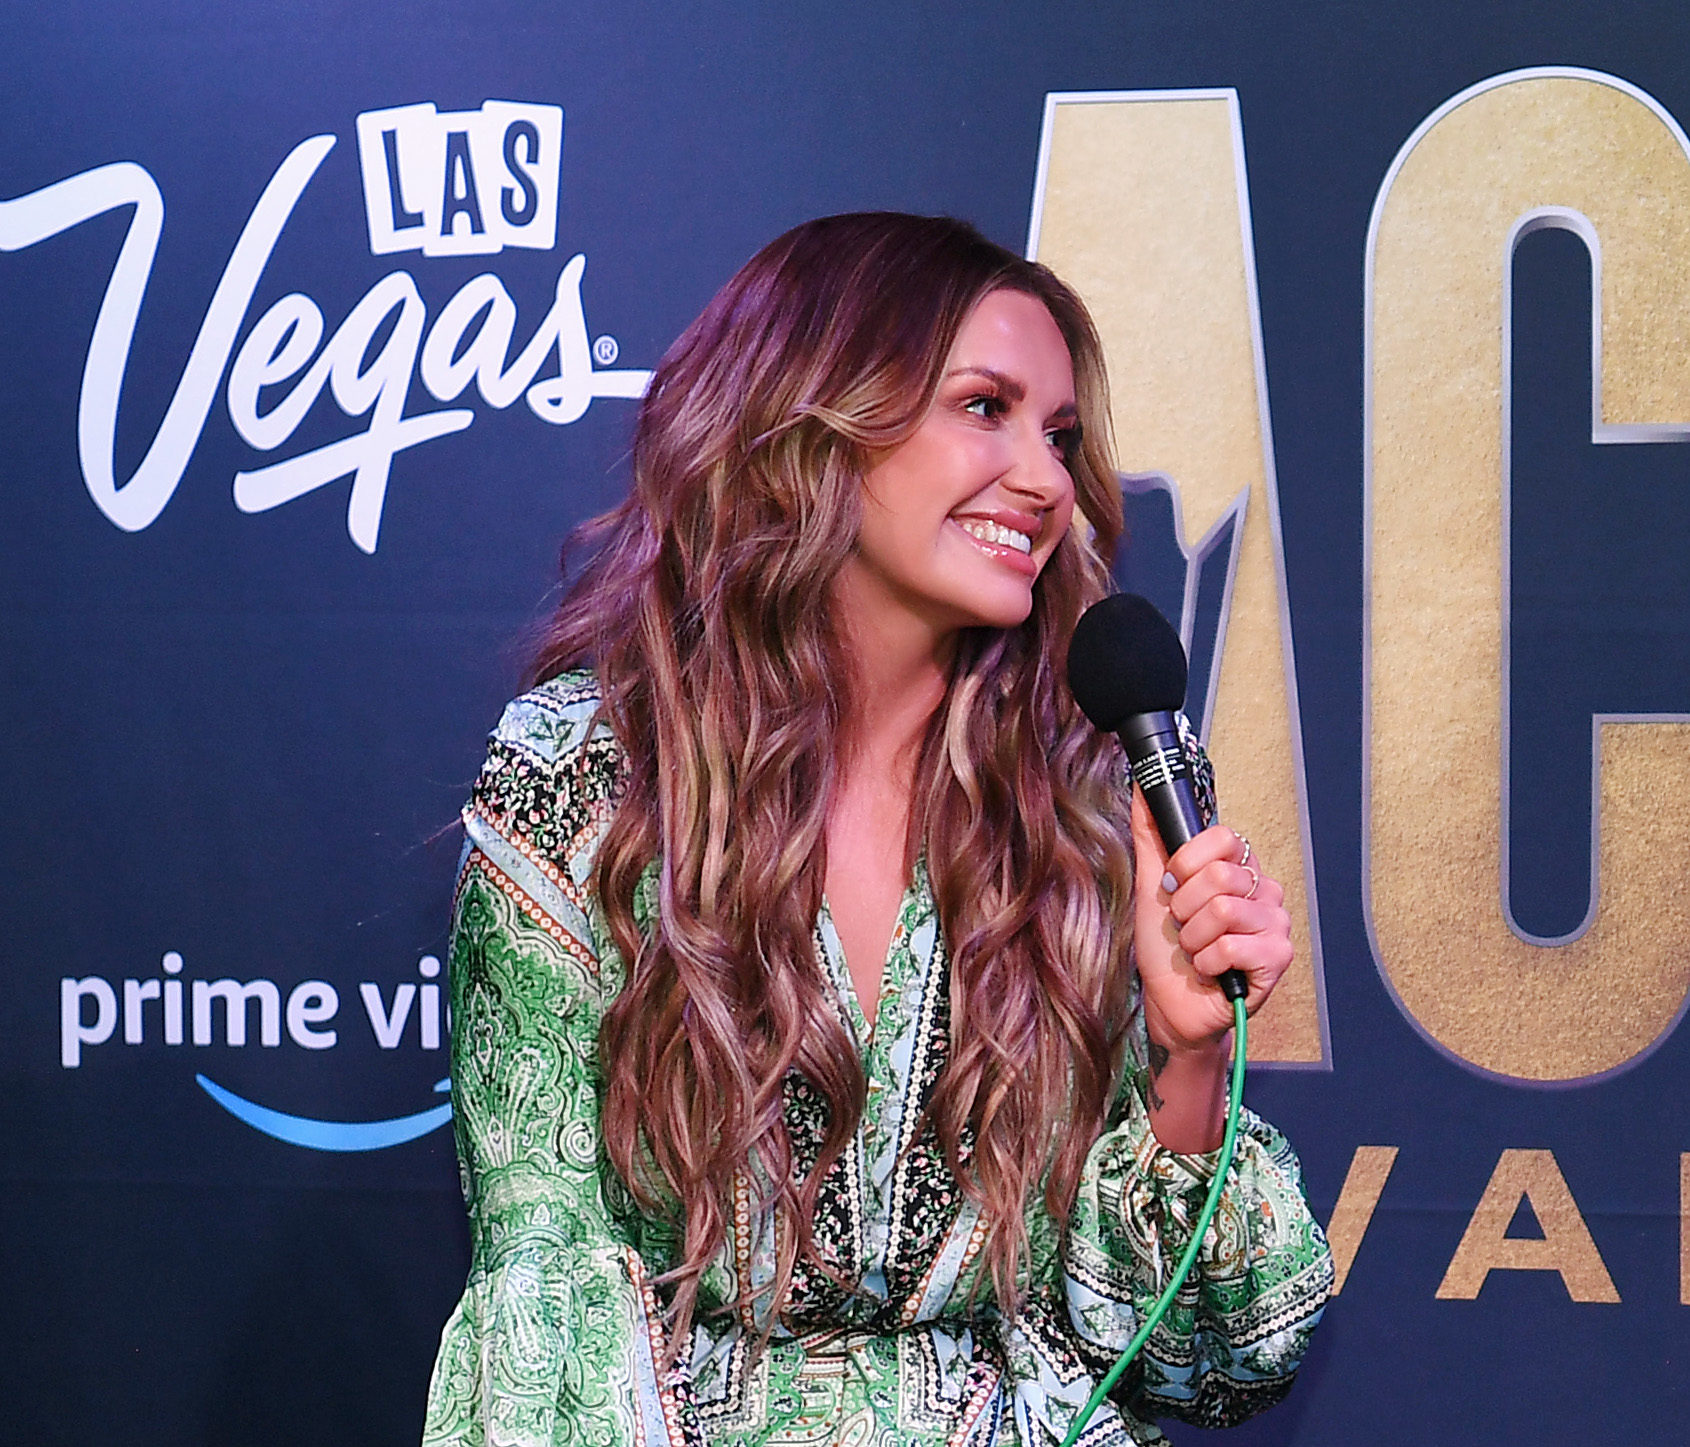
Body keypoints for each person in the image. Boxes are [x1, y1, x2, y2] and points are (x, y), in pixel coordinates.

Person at [423, 213, 1331, 1447]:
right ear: (816, 422)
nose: (1048, 477)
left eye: (1060, 436)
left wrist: (1187, 1059)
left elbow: (1210, 1362)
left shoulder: (1078, 804)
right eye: (983, 407)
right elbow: (542, 1297)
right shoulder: (584, 776)